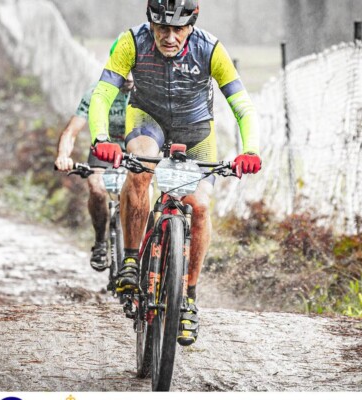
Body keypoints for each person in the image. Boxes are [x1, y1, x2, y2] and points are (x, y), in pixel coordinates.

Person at [88, 0, 262, 346]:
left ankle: (189, 299)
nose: (169, 37)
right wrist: (101, 139)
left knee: (199, 207)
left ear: (191, 25)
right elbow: (102, 94)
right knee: (140, 166)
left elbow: (243, 106)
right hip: (147, 121)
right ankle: (131, 260)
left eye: (177, 29)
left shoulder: (210, 49)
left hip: (196, 131)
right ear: (150, 23)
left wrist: (251, 149)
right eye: (161, 28)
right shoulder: (131, 42)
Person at [54, 44, 134, 271]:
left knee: (141, 197)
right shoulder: (96, 92)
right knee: (97, 188)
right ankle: (100, 242)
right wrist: (63, 156)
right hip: (104, 151)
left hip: (135, 150)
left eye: (133, 68)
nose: (128, 76)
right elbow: (71, 131)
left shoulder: (147, 92)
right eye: (123, 69)